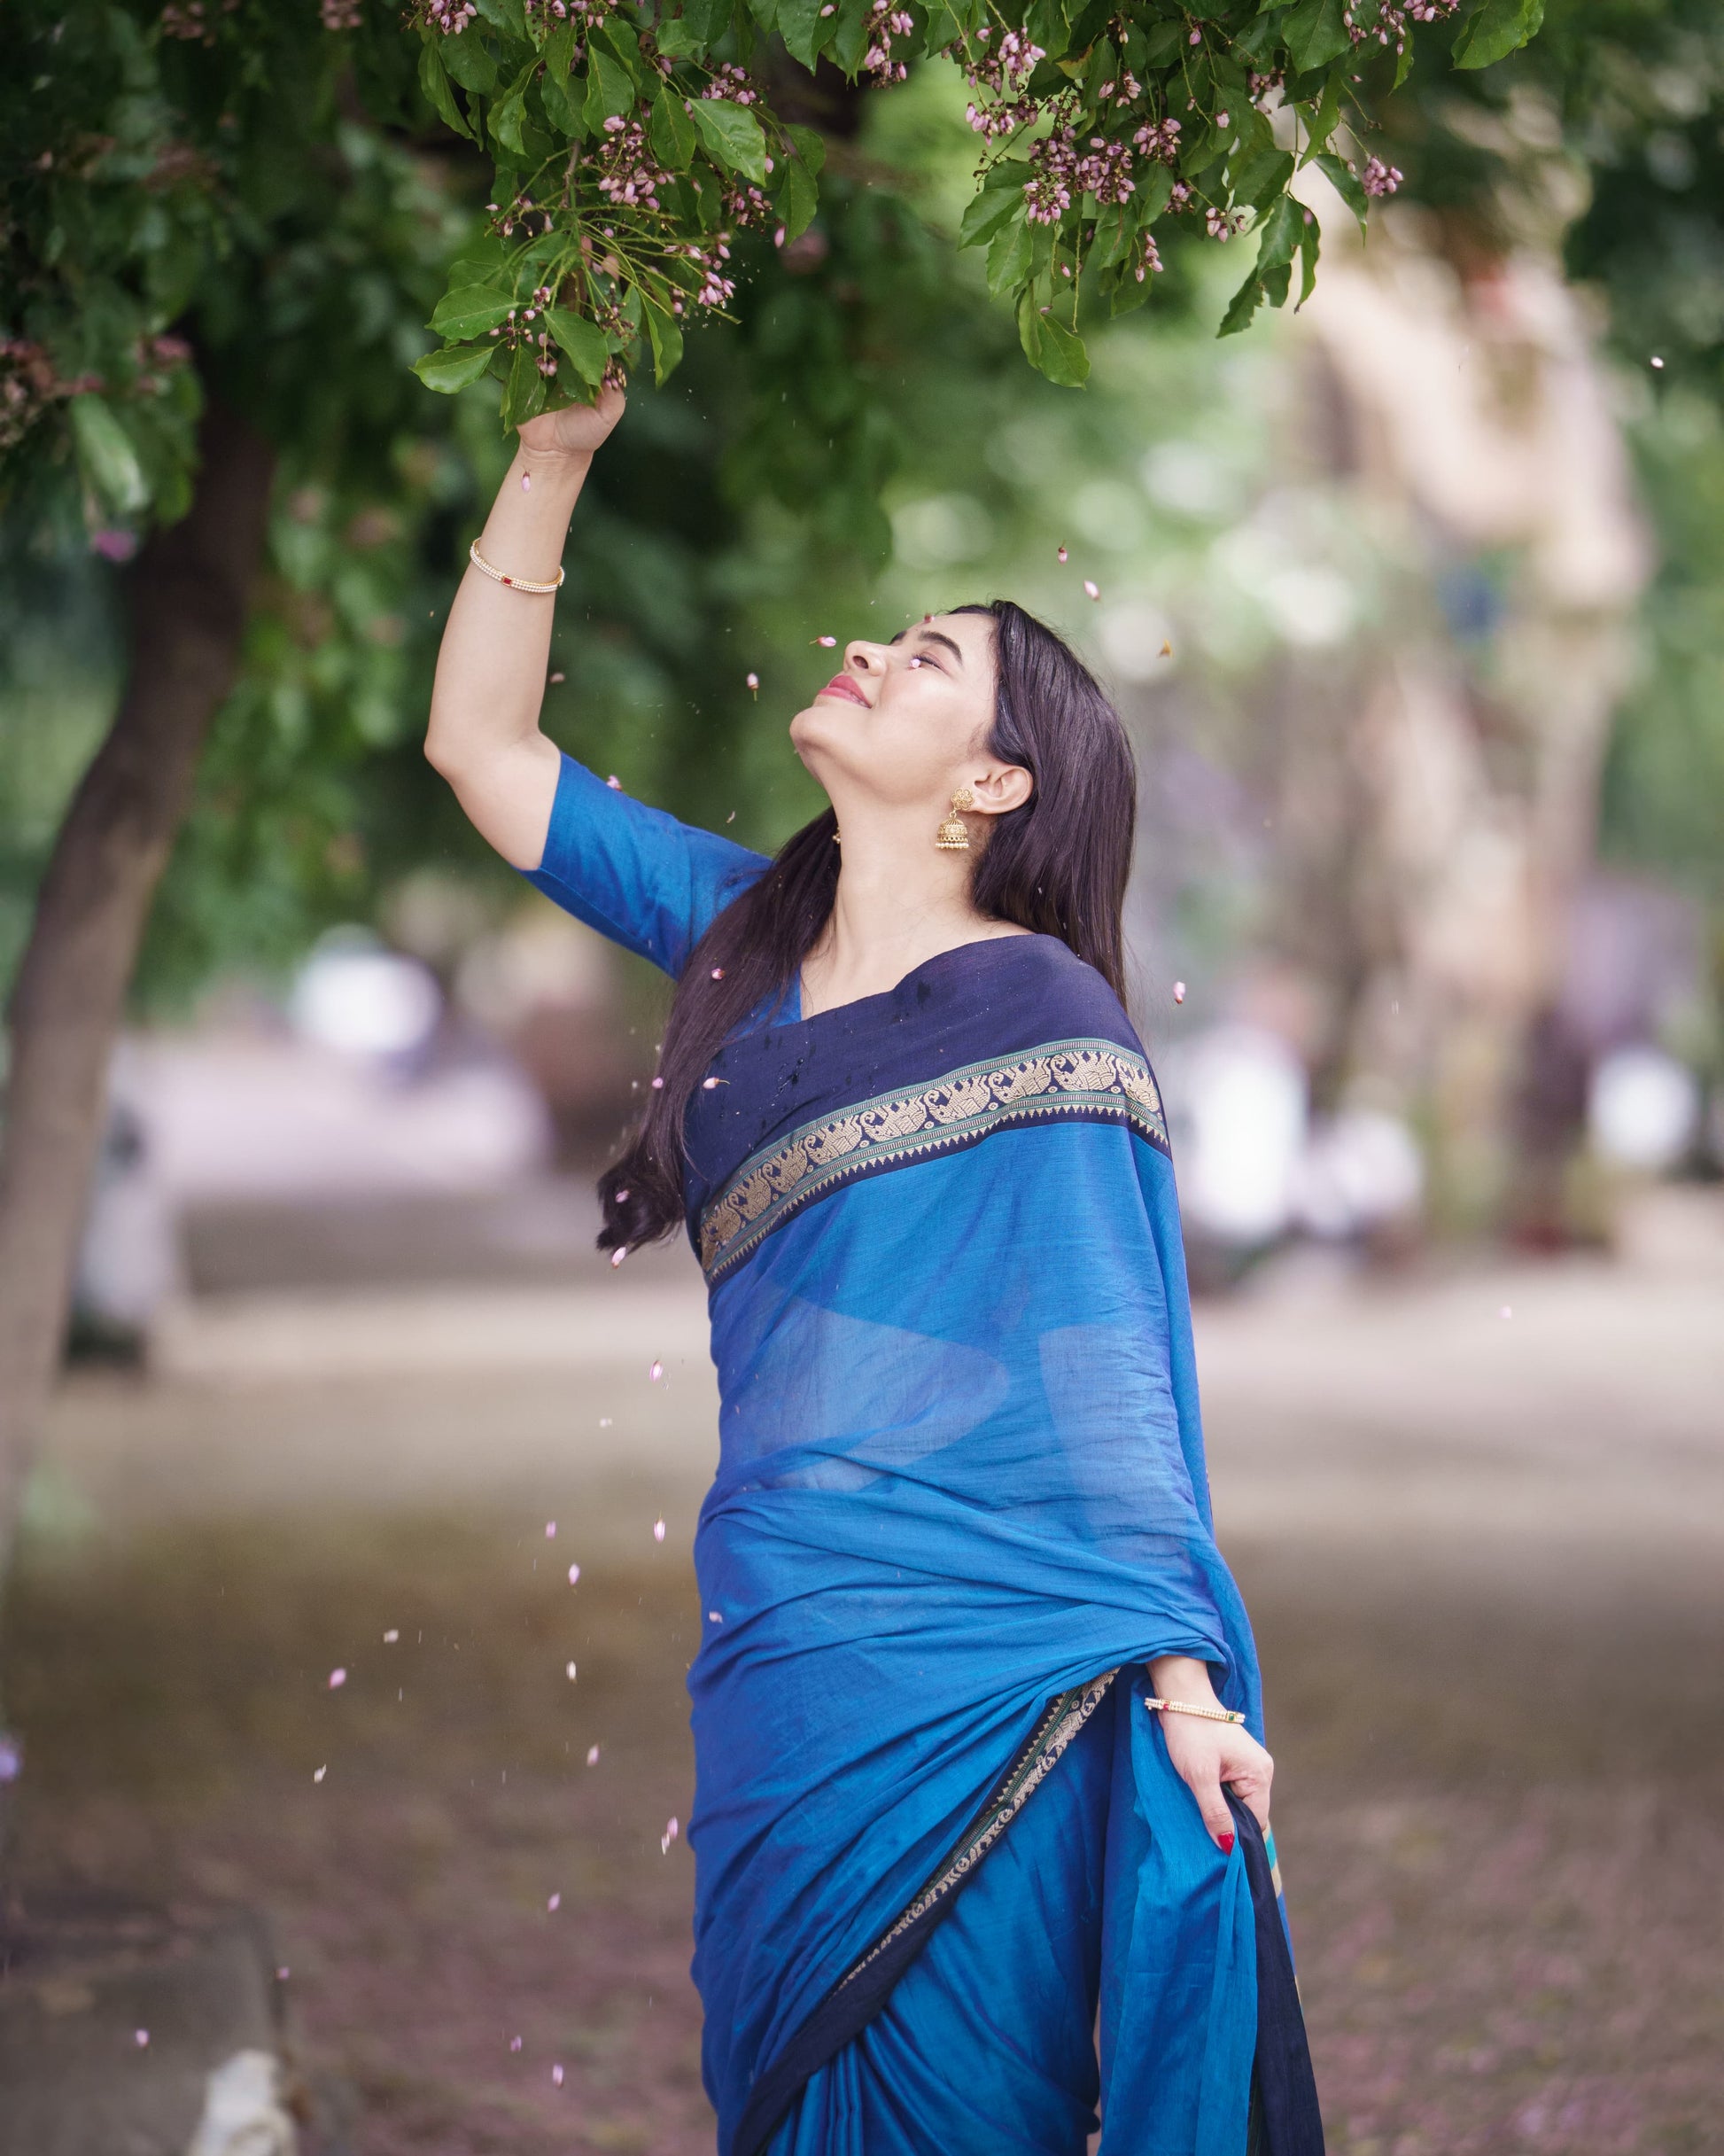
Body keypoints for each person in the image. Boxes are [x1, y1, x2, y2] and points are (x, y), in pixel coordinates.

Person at [425, 388, 1323, 2156]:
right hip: (789, 1648)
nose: (865, 652)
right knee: (787, 2080)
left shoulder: (1045, 1017)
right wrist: (550, 458)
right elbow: (479, 747)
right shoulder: (740, 937)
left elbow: (1109, 1380)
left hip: (991, 1668)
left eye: (922, 658)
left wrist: (1186, 1686)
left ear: (995, 782)